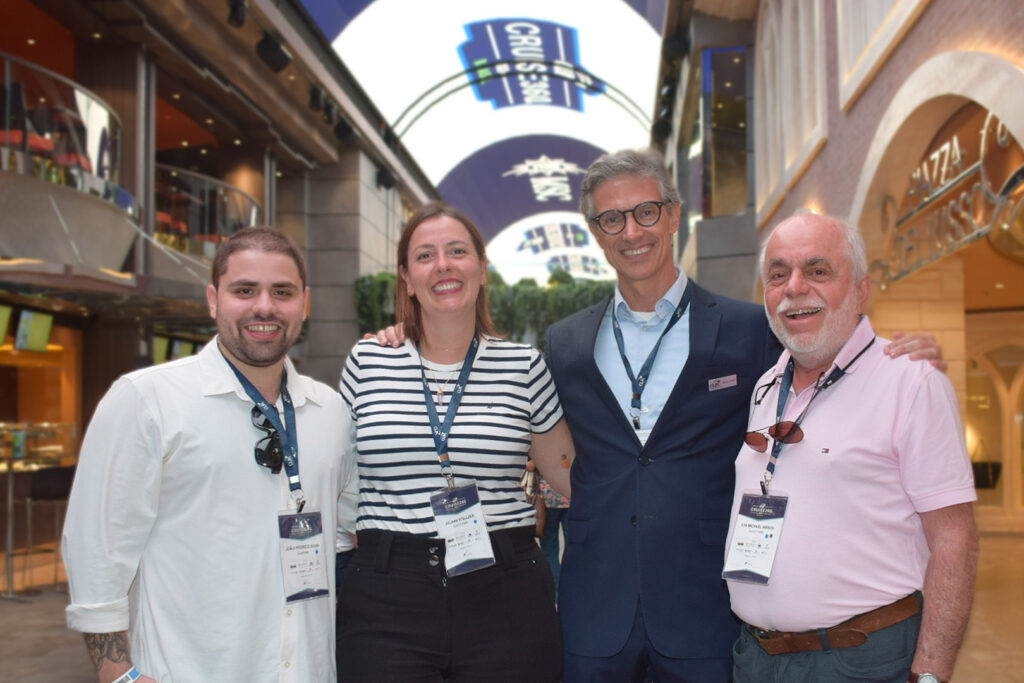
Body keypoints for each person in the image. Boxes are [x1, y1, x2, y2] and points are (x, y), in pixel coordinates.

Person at [372, 149, 942, 682]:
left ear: (673, 217)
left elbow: (820, 368)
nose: (632, 231)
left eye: (646, 211)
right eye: (611, 219)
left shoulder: (749, 331)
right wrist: (408, 335)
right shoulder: (565, 343)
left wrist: (892, 352)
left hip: (708, 609)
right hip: (593, 611)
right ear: (596, 234)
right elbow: (551, 449)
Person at [62, 227, 356, 682]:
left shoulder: (331, 411)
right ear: (213, 299)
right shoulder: (147, 400)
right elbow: (97, 549)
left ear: (304, 303)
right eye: (244, 290)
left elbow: (347, 531)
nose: (265, 306)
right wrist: (118, 675)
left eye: (282, 291)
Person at [724, 212, 979, 683]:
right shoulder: (766, 386)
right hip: (757, 659)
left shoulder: (911, 382)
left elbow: (954, 540)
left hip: (860, 661)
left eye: (818, 271)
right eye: (778, 275)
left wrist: (931, 674)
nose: (795, 287)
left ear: (861, 290)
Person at [336, 202, 574, 682]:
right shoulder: (368, 360)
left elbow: (571, 477)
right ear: (406, 278)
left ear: (482, 269)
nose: (442, 265)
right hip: (387, 595)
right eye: (425, 256)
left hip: (505, 591)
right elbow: (336, 474)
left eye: (457, 251)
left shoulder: (523, 365)